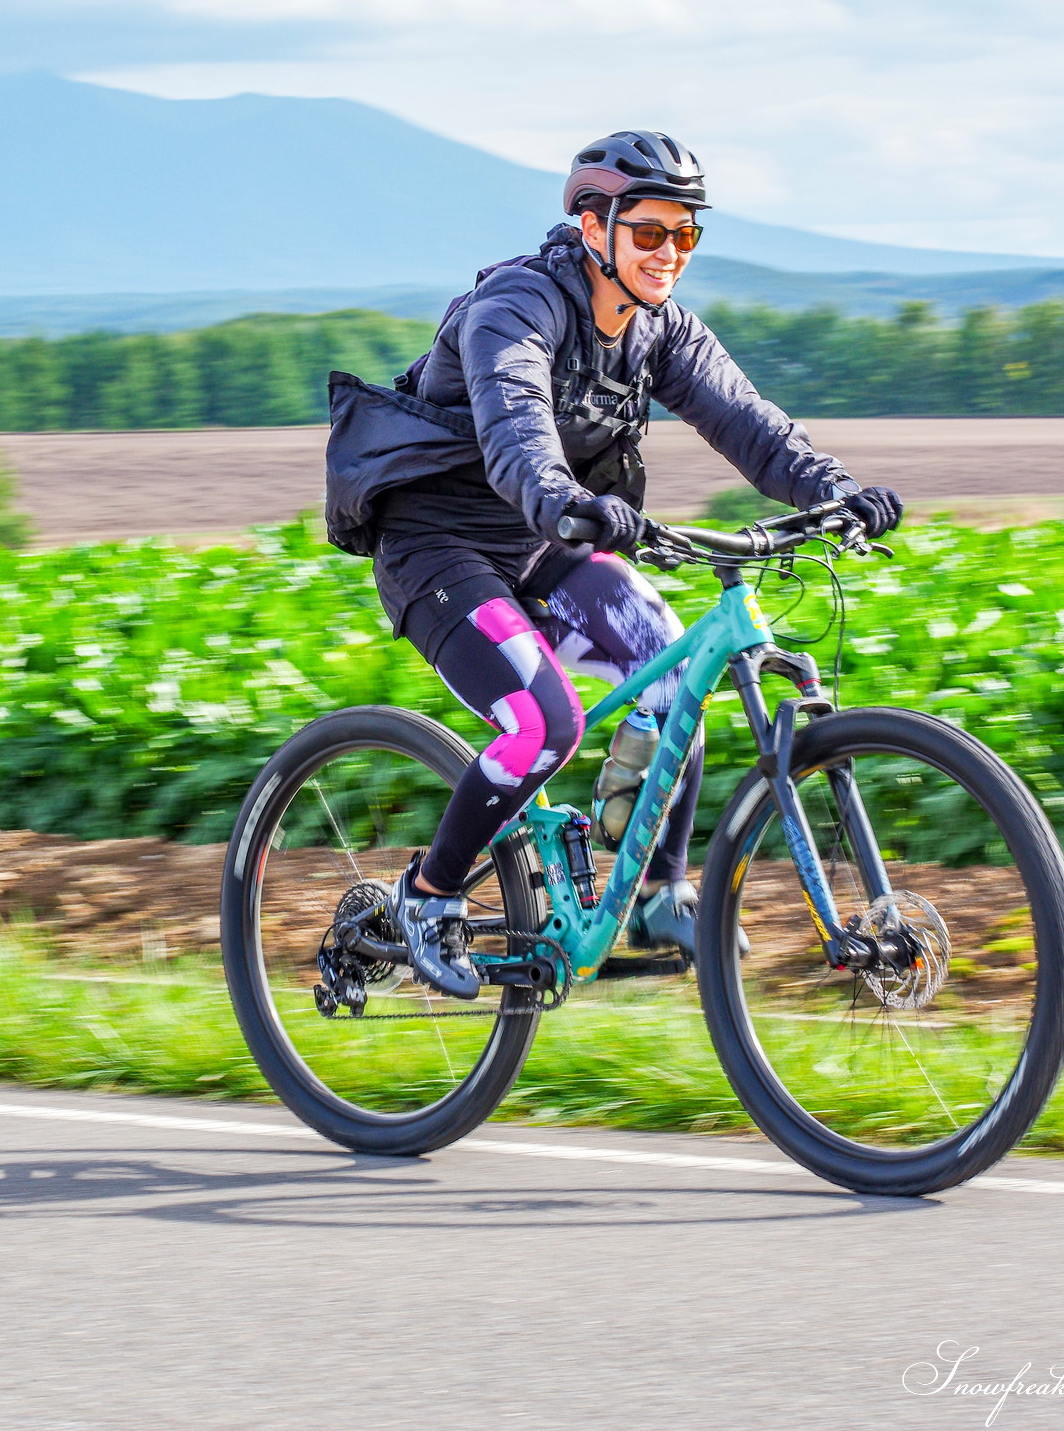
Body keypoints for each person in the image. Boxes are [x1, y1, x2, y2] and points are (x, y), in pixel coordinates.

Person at [324, 131, 902, 998]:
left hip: (547, 544)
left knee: (672, 664)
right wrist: (562, 498)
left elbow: (748, 421)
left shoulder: (658, 330)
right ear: (594, 226)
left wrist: (835, 492)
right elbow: (516, 420)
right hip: (439, 547)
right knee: (541, 724)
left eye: (685, 235)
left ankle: (658, 891)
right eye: (650, 232)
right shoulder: (516, 307)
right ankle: (427, 897)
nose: (669, 253)